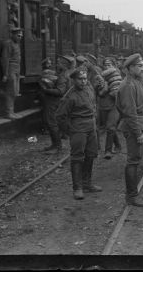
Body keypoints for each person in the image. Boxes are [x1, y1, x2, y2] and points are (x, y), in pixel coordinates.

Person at [55, 67, 102, 200]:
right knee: (77, 157)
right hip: (78, 128)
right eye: (80, 79)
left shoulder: (89, 88)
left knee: (91, 155)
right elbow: (60, 116)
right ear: (74, 80)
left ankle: (87, 184)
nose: (83, 81)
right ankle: (78, 188)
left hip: (91, 127)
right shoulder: (70, 96)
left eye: (85, 78)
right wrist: (70, 131)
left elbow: (93, 104)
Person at [116, 53, 143, 207]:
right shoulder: (128, 86)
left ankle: (134, 193)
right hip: (134, 127)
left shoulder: (135, 81)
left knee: (136, 160)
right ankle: (131, 196)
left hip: (138, 124)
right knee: (133, 161)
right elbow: (129, 113)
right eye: (139, 66)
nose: (142, 68)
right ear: (130, 68)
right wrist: (138, 133)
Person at [39, 56, 69, 154]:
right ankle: (54, 144)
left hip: (54, 102)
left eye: (59, 63)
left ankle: (57, 146)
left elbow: (60, 91)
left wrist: (46, 90)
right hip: (51, 101)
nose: (57, 65)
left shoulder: (63, 76)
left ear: (64, 65)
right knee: (49, 123)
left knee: (52, 123)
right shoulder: (59, 74)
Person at [98, 57, 123, 159]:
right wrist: (103, 88)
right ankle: (118, 145)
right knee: (110, 128)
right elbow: (97, 91)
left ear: (113, 66)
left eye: (109, 64)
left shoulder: (117, 76)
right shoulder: (100, 77)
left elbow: (117, 92)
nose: (107, 66)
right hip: (103, 105)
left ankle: (108, 151)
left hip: (114, 105)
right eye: (105, 64)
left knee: (110, 127)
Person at [0, 26, 23, 119]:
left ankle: (12, 112)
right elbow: (5, 59)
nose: (20, 37)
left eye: (21, 36)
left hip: (17, 70)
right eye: (18, 35)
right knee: (10, 92)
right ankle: (9, 112)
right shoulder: (8, 44)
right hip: (10, 70)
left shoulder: (17, 44)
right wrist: (5, 74)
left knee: (15, 92)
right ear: (12, 35)